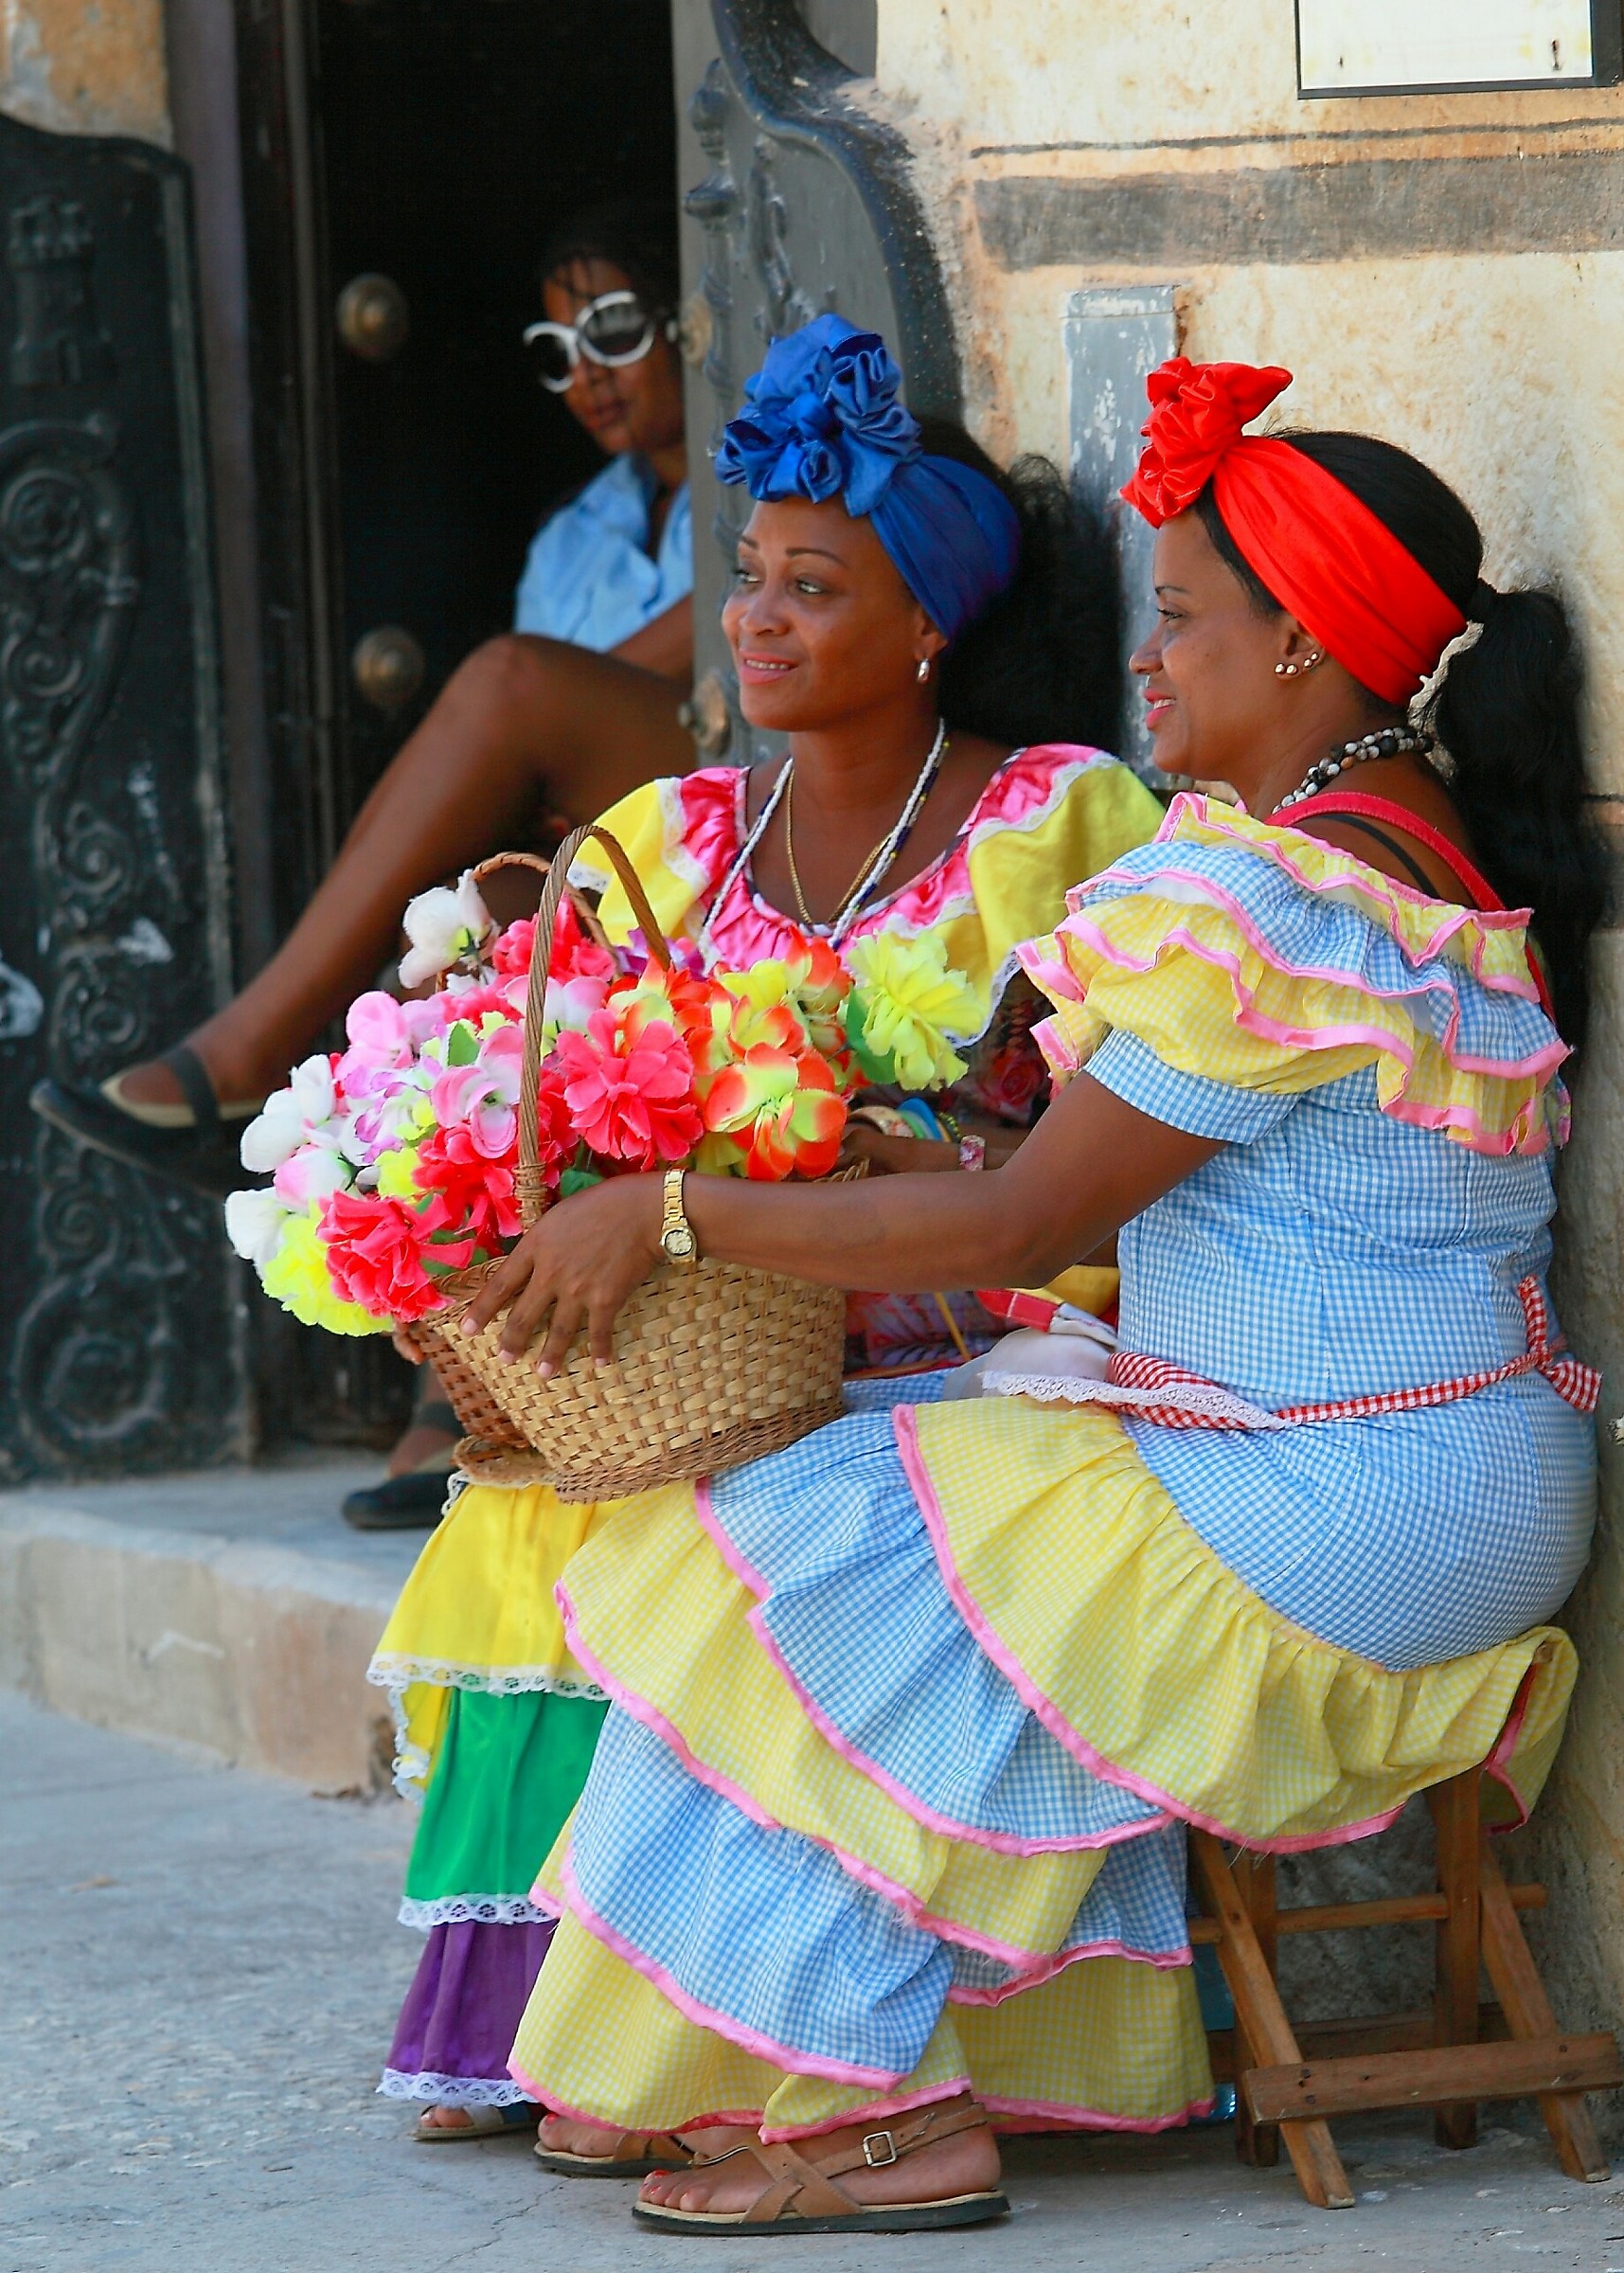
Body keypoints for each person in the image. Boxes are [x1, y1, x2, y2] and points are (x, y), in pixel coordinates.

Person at [466, 356, 1603, 2235]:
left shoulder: (1282, 906)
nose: (1144, 660)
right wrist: (860, 1159)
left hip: (1340, 1501)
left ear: (1303, 645)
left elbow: (1018, 1226)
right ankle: (736, 2053)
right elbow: (1079, 1173)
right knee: (830, 1497)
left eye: (1183, 619)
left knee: (805, 1539)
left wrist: (673, 1212)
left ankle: (870, 2104)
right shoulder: (1387, 869)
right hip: (1415, 1476)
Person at [365, 313, 1163, 2142]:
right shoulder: (672, 833)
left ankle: (767, 2038)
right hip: (708, 1349)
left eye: (816, 586)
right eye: (750, 579)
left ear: (929, 621)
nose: (758, 620)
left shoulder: (1059, 822)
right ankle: (551, 2020)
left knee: (753, 1520)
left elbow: (1104, 1135)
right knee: (531, 1507)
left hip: (966, 1335)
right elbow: (559, 1104)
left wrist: (891, 1145)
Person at [31, 198, 694, 1204]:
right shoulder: (573, 534)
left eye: (613, 331)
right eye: (557, 353)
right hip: (588, 845)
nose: (587, 376)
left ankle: (248, 1050)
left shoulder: (762, 467)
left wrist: (552, 718)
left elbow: (651, 662)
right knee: (448, 941)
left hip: (714, 800)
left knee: (508, 683)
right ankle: (374, 1201)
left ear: (688, 318)